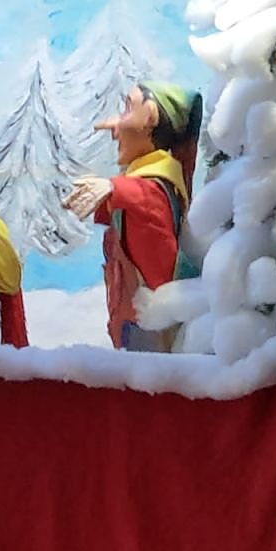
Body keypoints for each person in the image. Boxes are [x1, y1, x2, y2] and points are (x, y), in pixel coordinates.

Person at [62, 82, 202, 351]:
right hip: (132, 319)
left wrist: (113, 188)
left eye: (127, 109)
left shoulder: (158, 185)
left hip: (150, 328)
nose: (115, 128)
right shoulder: (144, 180)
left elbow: (148, 199)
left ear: (149, 117)